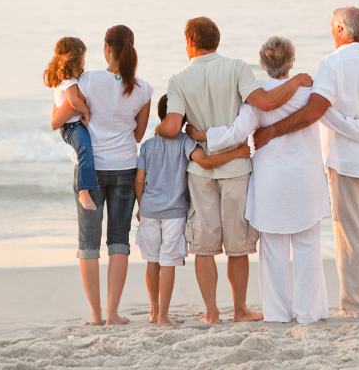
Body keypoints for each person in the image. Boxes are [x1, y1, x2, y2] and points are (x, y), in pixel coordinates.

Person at [187, 36, 359, 324]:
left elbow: (236, 133)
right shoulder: (309, 92)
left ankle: (277, 313)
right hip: (305, 178)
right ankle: (309, 313)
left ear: (262, 64)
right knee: (308, 246)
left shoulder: (257, 98)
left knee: (273, 249)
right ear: (292, 62)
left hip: (271, 180)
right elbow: (337, 121)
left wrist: (202, 136)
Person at [254, 7, 359, 318]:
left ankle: (356, 306)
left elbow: (316, 111)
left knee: (350, 233)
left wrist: (272, 130)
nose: (331, 31)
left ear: (341, 30)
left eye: (331, 27)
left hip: (346, 160)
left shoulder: (331, 64)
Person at [155, 17, 313, 324]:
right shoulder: (237, 68)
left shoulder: (178, 78)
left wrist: (158, 129)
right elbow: (265, 103)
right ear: (217, 40)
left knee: (204, 244)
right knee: (237, 244)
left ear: (190, 42)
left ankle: (212, 312)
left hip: (200, 172)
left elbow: (173, 127)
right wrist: (295, 82)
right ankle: (240, 310)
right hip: (237, 168)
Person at [135, 95, 251, 327]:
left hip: (149, 211)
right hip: (174, 213)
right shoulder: (185, 142)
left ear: (159, 116)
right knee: (167, 261)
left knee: (152, 261)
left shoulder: (147, 145)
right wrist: (237, 154)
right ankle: (164, 318)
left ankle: (154, 311)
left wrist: (141, 206)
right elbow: (206, 162)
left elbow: (139, 180)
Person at [73, 25, 154, 325]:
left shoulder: (88, 80)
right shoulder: (144, 88)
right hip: (124, 168)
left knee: (88, 244)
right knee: (119, 241)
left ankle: (95, 316)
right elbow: (138, 134)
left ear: (106, 47)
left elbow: (71, 114)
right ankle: (112, 314)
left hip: (90, 169)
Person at [46, 37, 98, 211]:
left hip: (71, 125)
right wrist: (86, 111)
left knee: (86, 150)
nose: (85, 61)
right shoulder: (69, 80)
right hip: (71, 126)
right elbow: (74, 100)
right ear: (77, 58)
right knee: (85, 151)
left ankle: (85, 188)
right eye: (84, 57)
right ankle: (83, 190)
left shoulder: (66, 78)